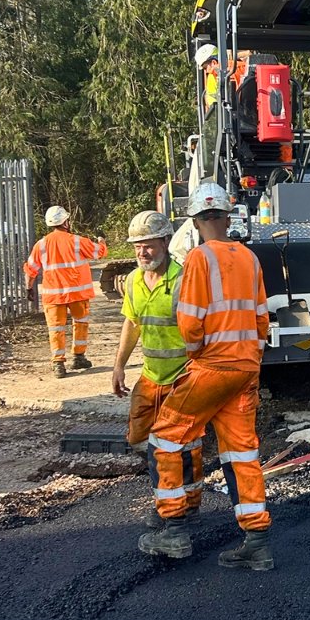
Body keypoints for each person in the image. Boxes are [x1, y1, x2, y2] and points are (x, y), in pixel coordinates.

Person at [138, 182, 273, 569]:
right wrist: (249, 358)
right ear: (228, 217)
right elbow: (262, 318)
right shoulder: (249, 258)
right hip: (246, 368)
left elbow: (190, 320)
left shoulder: (199, 258)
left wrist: (197, 354)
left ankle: (174, 530)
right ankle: (257, 541)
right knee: (241, 450)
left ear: (196, 221)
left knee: (166, 436)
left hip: (213, 366)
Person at [111, 211, 188, 527]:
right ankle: (172, 487)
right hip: (152, 375)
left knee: (168, 444)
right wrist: (119, 366)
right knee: (138, 437)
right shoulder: (132, 281)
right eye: (137, 246)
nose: (142, 252)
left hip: (183, 378)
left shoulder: (183, 281)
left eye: (149, 245)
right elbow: (132, 322)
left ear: (166, 242)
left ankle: (172, 513)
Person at [23, 206, 108, 378]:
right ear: (65, 222)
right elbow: (99, 252)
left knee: (55, 329)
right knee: (81, 323)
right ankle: (78, 357)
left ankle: (58, 364)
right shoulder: (77, 241)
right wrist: (102, 240)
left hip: (53, 296)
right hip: (78, 294)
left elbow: (30, 270)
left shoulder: (41, 245)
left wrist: (28, 288)